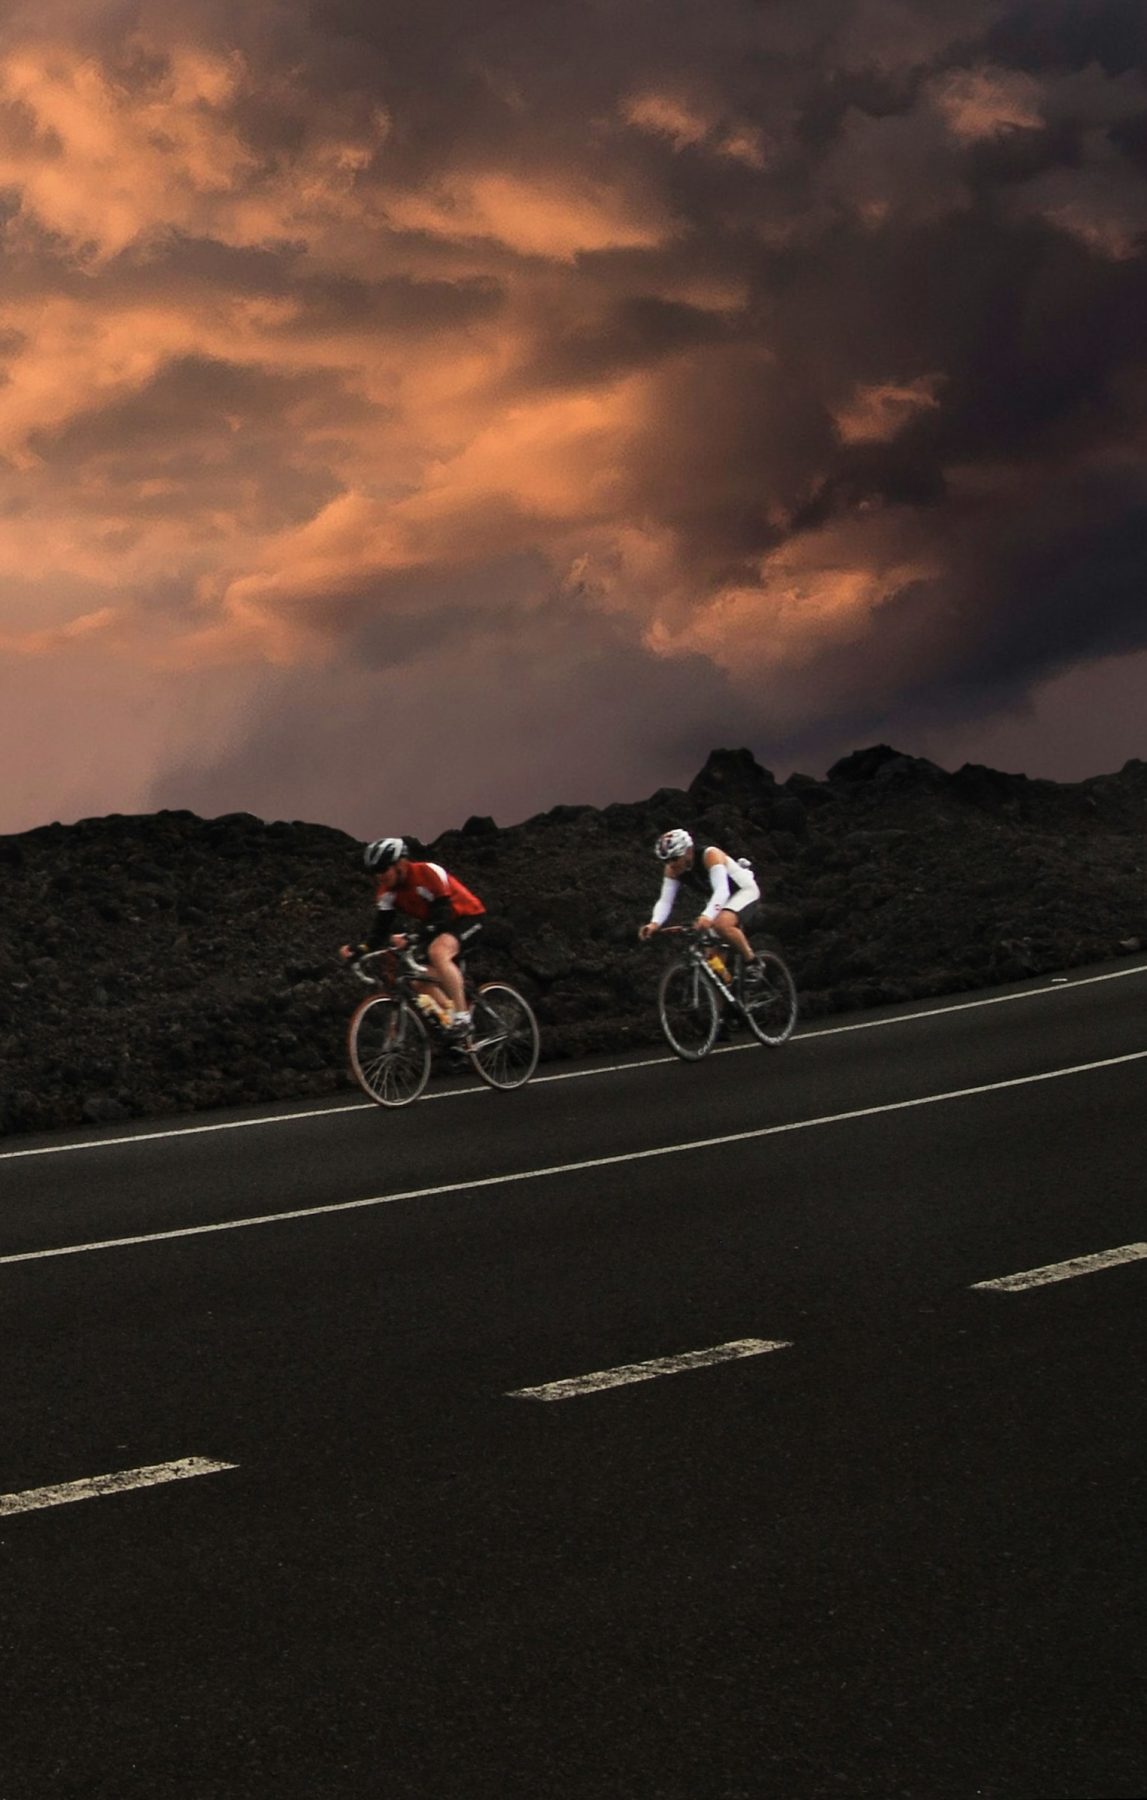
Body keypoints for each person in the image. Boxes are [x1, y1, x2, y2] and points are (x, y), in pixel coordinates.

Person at [341, 837, 486, 1037]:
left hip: (467, 916)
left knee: (438, 951)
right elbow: (379, 931)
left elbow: (442, 917)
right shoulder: (387, 893)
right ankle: (453, 1020)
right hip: (435, 927)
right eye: (375, 872)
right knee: (419, 981)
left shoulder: (428, 873)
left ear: (400, 864)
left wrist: (413, 937)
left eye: (383, 869)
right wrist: (361, 949)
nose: (379, 876)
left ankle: (463, 1018)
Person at [638, 828, 765, 977]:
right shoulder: (672, 870)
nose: (671, 865)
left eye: (674, 858)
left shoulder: (710, 855)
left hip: (743, 891)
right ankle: (725, 991)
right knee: (712, 963)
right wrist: (654, 923)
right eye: (666, 861)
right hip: (719, 900)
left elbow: (722, 891)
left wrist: (707, 916)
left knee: (721, 924)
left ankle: (753, 962)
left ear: (688, 851)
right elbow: (665, 901)